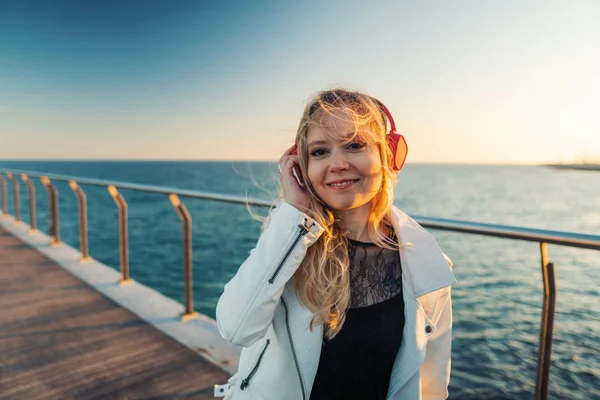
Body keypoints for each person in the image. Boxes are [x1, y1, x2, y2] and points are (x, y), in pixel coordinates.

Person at [214, 89, 456, 400]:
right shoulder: (290, 241)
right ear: (300, 167)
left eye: (354, 145)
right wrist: (295, 217)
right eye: (319, 152)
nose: (337, 163)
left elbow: (432, 385)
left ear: (389, 156)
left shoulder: (428, 263)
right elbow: (235, 328)